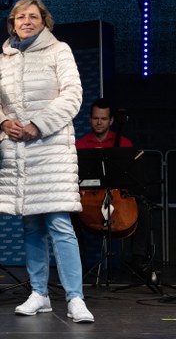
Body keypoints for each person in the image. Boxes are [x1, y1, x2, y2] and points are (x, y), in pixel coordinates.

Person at [0, 0, 94, 323]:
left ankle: (75, 298)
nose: (27, 21)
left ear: (44, 21)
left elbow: (72, 96)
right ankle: (39, 294)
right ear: (12, 23)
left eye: (33, 16)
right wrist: (3, 123)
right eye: (21, 17)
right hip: (18, 152)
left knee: (60, 224)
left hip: (51, 148)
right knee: (31, 224)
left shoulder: (59, 50)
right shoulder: (1, 60)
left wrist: (37, 125)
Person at [75, 98, 153, 278]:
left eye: (103, 119)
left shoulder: (125, 144)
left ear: (111, 121)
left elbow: (133, 179)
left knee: (143, 209)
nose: (99, 122)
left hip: (119, 200)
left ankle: (138, 260)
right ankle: (78, 262)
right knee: (69, 212)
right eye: (95, 118)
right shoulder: (80, 146)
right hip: (89, 199)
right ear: (90, 119)